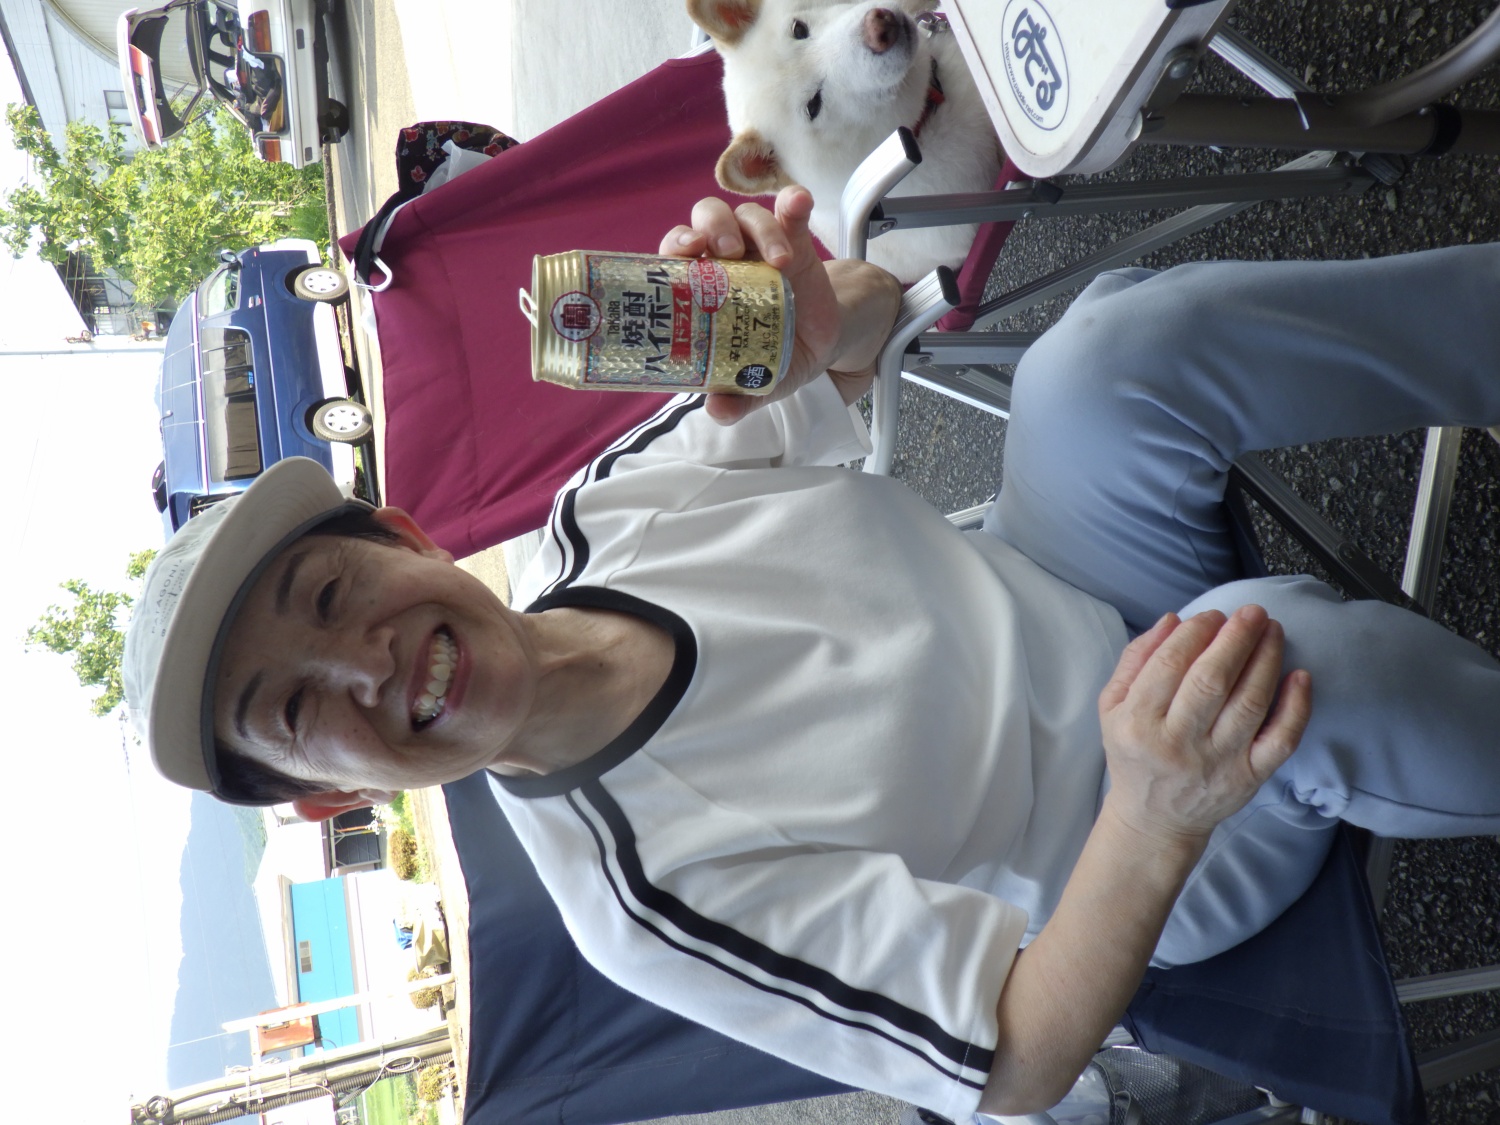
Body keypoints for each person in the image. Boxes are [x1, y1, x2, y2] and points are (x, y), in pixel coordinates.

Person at [123, 186, 1500, 1121]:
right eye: (295, 710)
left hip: (1059, 569)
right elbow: (1016, 1059)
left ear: (406, 536)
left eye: (327, 593)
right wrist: (1153, 812)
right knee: (1291, 668)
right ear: (332, 791)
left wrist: (805, 317)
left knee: (1106, 356)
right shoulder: (645, 896)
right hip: (1130, 836)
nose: (364, 668)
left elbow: (859, 330)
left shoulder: (609, 514)